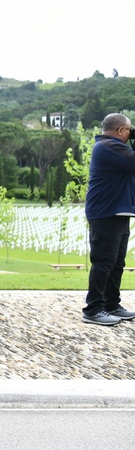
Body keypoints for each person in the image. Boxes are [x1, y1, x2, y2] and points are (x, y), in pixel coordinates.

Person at [82, 113, 135, 326]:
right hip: (105, 213)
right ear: (121, 131)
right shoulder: (106, 147)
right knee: (104, 262)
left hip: (118, 212)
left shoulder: (116, 147)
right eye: (129, 130)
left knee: (116, 263)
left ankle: (111, 304)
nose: (130, 134)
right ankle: (93, 308)